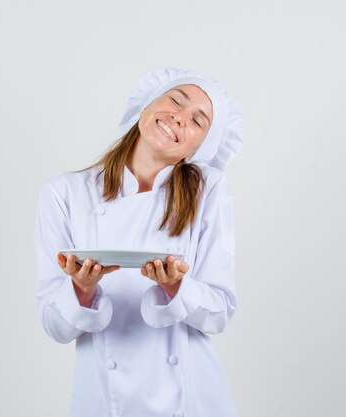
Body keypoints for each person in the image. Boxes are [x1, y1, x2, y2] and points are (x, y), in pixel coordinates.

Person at [34, 67, 244, 417]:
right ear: (144, 106)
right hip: (102, 399)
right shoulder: (63, 194)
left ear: (199, 149)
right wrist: (81, 289)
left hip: (190, 401)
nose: (179, 118)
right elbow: (54, 326)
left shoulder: (210, 191)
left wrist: (177, 286)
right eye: (176, 100)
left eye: (198, 121)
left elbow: (219, 313)